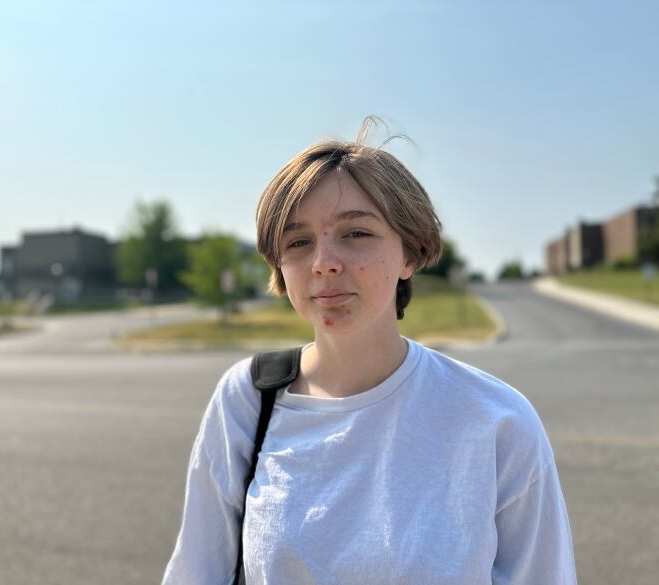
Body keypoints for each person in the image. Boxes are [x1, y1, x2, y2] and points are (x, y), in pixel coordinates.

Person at [162, 118, 577, 584]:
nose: (324, 263)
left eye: (356, 233)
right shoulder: (246, 400)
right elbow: (197, 572)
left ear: (409, 253)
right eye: (298, 242)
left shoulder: (497, 421)